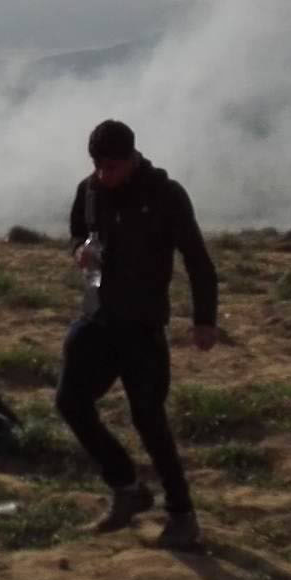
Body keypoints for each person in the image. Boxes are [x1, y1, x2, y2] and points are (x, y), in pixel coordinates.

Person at [57, 119, 219, 551]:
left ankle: (182, 515)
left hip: (144, 326)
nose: (103, 174)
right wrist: (79, 250)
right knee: (70, 401)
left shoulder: (165, 195)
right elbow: (75, 232)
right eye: (97, 165)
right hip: (97, 319)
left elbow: (198, 260)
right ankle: (127, 489)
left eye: (111, 165)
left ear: (132, 158)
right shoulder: (88, 191)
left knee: (149, 419)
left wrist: (204, 319)